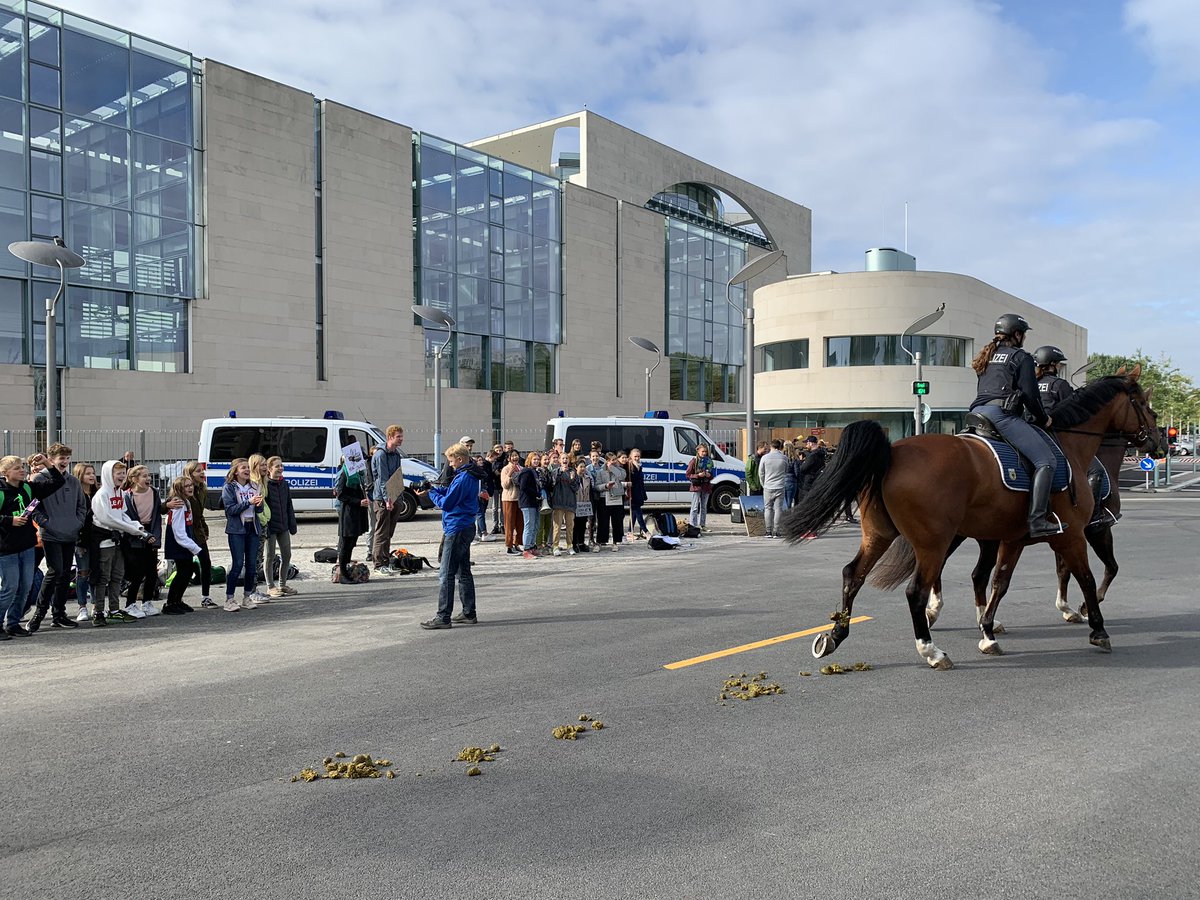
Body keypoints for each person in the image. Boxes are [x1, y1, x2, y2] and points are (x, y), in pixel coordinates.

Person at [969, 313, 1060, 538]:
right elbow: (1030, 395)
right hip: (1001, 415)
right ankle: (1037, 520)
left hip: (976, 413)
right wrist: (1043, 419)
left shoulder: (986, 356)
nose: (1024, 339)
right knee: (1046, 461)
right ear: (1017, 334)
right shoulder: (1021, 357)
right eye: (1024, 334)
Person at [0, 456, 64, 638]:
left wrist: (47, 464)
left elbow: (57, 481)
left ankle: (13, 623)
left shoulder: (28, 487)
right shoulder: (1, 491)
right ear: (5, 473)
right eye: (16, 468)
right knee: (9, 587)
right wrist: (9, 520)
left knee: (25, 586)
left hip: (27, 546)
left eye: (22, 467)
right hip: (6, 549)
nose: (21, 470)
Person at [419, 442, 481, 629]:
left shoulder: (463, 478)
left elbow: (447, 503)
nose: (450, 464)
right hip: (465, 526)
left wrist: (431, 494)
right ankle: (469, 613)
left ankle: (443, 616)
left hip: (457, 528)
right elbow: (451, 493)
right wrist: (434, 488)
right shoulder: (469, 474)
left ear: (460, 459)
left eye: (452, 461)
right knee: (463, 571)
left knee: (446, 573)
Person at [28, 443, 87, 631]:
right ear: (51, 459)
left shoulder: (73, 481)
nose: (65, 462)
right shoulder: (40, 479)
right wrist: (46, 523)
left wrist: (77, 523)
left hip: (69, 533)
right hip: (51, 534)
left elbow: (81, 506)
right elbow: (32, 507)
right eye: (62, 458)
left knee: (64, 574)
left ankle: (59, 613)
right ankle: (39, 613)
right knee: (54, 572)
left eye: (68, 458)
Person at [88, 460, 150, 626]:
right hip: (104, 542)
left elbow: (123, 515)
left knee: (117, 576)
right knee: (103, 577)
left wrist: (136, 525)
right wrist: (133, 530)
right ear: (109, 474)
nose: (121, 476)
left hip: (118, 541)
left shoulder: (120, 494)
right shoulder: (102, 495)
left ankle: (114, 609)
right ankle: (98, 611)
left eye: (123, 473)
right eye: (118, 473)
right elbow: (108, 519)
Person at [221, 458, 265, 611]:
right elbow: (230, 510)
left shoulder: (255, 486)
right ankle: (229, 599)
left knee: (252, 565)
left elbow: (258, 510)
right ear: (236, 471)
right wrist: (249, 502)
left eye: (248, 468)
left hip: (252, 527)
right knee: (238, 564)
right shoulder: (229, 487)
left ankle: (247, 596)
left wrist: (259, 504)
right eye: (243, 468)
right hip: (237, 529)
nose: (247, 470)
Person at [121, 465, 164, 618]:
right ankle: (130, 604)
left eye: (149, 476)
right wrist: (142, 534)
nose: (148, 479)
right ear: (134, 479)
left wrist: (155, 538)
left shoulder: (154, 493)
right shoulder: (127, 496)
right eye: (144, 476)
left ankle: (147, 602)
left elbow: (157, 515)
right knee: (136, 572)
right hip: (134, 534)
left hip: (151, 532)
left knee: (152, 571)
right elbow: (127, 519)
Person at [370, 425, 406, 572]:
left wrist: (399, 497)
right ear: (390, 437)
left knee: (389, 532)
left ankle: (385, 559)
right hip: (382, 498)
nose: (401, 439)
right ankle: (378, 563)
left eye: (402, 436)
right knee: (381, 532)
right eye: (398, 436)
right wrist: (387, 499)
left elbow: (397, 476)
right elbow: (383, 478)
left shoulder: (396, 454)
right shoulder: (380, 455)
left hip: (394, 496)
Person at [163, 477, 201, 614]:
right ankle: (170, 603)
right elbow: (178, 531)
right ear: (179, 489)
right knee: (182, 573)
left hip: (186, 542)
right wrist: (194, 547)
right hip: (179, 544)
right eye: (186, 486)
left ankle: (178, 600)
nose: (190, 488)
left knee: (188, 571)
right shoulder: (178, 504)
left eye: (191, 485)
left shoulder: (187, 502)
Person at [183, 461, 218, 608]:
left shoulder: (202, 489)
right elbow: (169, 505)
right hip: (186, 533)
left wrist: (205, 529)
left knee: (206, 562)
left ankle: (206, 597)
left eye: (202, 470)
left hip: (198, 532)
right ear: (190, 475)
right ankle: (176, 598)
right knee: (185, 567)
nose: (202, 473)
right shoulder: (184, 490)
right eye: (198, 471)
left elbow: (200, 514)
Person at [332, 454, 371, 582]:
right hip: (348, 513)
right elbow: (341, 495)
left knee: (352, 542)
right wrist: (358, 502)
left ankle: (347, 570)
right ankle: (343, 573)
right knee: (346, 543)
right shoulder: (344, 474)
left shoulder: (358, 475)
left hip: (357, 513)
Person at [264, 456, 298, 598]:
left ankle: (282, 585)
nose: (280, 469)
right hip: (270, 527)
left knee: (287, 555)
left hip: (283, 526)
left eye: (281, 466)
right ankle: (270, 586)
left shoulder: (284, 484)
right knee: (270, 556)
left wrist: (292, 524)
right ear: (269, 469)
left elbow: (288, 505)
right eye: (277, 466)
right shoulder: (265, 485)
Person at [72, 462, 98, 621]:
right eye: (88, 473)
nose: (92, 476)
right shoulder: (76, 494)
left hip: (98, 538)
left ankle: (96, 605)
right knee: (83, 573)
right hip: (81, 539)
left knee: (96, 573)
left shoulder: (98, 492)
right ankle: (82, 606)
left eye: (93, 473)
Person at [548, 454, 579, 556]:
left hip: (570, 502)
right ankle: (555, 546)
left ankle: (569, 546)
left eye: (566, 458)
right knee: (557, 526)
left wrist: (572, 479)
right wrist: (557, 476)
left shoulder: (573, 472)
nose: (565, 460)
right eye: (563, 458)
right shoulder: (555, 472)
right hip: (558, 502)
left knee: (570, 526)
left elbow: (576, 488)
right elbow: (552, 486)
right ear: (560, 461)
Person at [759, 439, 789, 539]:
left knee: (767, 508)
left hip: (768, 486)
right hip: (780, 486)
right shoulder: (784, 458)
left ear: (771, 446)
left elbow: (761, 473)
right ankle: (776, 531)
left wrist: (764, 484)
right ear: (780, 446)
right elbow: (786, 470)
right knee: (778, 509)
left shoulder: (764, 458)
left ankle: (768, 531)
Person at [598, 451, 628, 550]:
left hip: (617, 498)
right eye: (612, 460)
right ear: (607, 461)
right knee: (603, 521)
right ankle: (602, 541)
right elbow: (596, 486)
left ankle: (615, 541)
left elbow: (621, 476)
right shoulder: (600, 471)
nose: (615, 461)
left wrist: (613, 468)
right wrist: (605, 486)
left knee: (617, 521)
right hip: (605, 498)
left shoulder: (620, 469)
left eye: (615, 459)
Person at [516, 451, 543, 559]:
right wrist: (536, 494)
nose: (536, 461)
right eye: (534, 459)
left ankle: (532, 546)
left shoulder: (535, 472)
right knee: (529, 525)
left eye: (537, 459)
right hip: (527, 502)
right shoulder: (526, 472)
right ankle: (526, 549)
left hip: (534, 502)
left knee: (535, 525)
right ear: (529, 460)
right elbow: (524, 487)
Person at [686, 443, 714, 532]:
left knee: (704, 507)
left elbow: (712, 475)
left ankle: (703, 525)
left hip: (706, 486)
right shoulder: (694, 461)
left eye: (706, 451)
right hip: (697, 486)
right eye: (703, 451)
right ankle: (693, 525)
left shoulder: (709, 461)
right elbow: (688, 474)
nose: (704, 453)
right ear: (698, 451)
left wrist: (709, 475)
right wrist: (698, 475)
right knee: (694, 507)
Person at [500, 449, 522, 555]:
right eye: (512, 456)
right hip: (509, 499)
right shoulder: (505, 469)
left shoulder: (521, 469)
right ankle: (509, 546)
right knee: (509, 523)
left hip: (520, 499)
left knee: (519, 523)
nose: (515, 458)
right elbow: (505, 485)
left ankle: (516, 543)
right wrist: (510, 473)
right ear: (508, 458)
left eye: (516, 455)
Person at [571, 460, 593, 554]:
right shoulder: (573, 477)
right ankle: (574, 543)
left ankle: (581, 543)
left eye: (584, 467)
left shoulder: (587, 478)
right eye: (581, 467)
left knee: (582, 525)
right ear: (576, 467)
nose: (583, 469)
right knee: (575, 526)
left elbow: (590, 492)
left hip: (584, 505)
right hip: (575, 504)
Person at [627, 448, 648, 539]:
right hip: (632, 493)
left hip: (639, 492)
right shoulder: (630, 467)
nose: (637, 458)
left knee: (634, 514)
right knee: (638, 512)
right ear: (631, 457)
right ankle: (646, 531)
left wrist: (644, 494)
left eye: (638, 456)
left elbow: (641, 482)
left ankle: (629, 532)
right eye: (635, 456)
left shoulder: (639, 466)